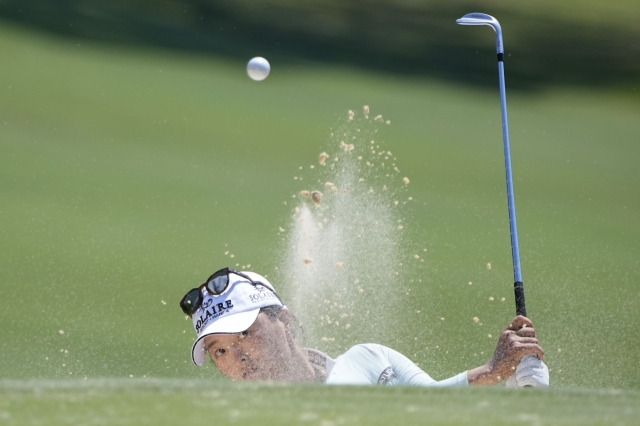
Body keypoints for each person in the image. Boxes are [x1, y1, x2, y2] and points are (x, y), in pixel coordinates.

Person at [179, 267, 549, 387]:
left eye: (245, 332)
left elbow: (434, 407)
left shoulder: (369, 362)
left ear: (285, 321)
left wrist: (494, 372)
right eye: (220, 351)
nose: (238, 356)